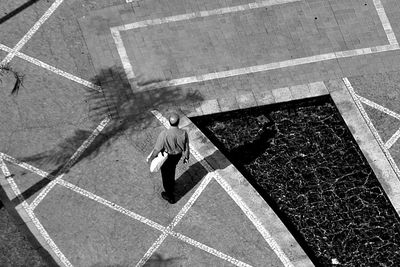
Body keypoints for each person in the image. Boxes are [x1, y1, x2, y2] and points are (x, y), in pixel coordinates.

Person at [147, 112, 190, 204]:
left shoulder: (164, 134)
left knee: (166, 176)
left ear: (169, 122)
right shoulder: (184, 133)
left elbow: (157, 149)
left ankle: (170, 196)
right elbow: (186, 147)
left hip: (167, 157)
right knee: (172, 169)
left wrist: (151, 158)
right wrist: (186, 157)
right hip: (177, 156)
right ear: (178, 122)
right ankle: (172, 183)